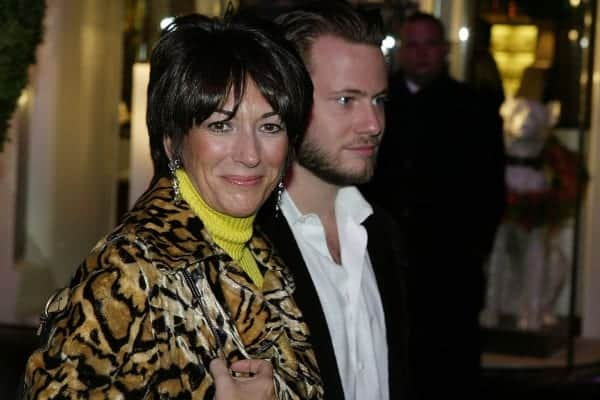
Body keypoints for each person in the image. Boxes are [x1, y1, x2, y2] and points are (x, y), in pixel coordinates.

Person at [22, 12, 324, 399]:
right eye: (221, 125)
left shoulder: (263, 257)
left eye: (270, 126)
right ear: (172, 141)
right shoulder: (132, 269)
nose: (250, 154)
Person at [258, 2, 411, 399]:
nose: (373, 124)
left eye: (379, 100)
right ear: (287, 100)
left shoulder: (381, 234)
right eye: (347, 100)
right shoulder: (246, 246)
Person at [362, 12, 506, 398]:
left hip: (451, 265)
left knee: (451, 365)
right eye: (412, 44)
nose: (421, 54)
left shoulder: (473, 108)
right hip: (386, 261)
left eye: (429, 44)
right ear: (399, 51)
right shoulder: (377, 106)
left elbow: (491, 188)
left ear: (443, 50)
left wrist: (475, 247)